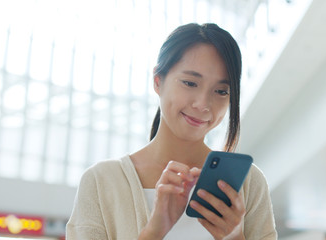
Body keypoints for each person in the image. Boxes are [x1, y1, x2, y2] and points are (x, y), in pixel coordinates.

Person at [66, 23, 277, 240]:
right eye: (190, 83)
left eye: (221, 91)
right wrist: (153, 232)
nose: (203, 104)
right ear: (158, 81)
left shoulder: (249, 183)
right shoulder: (102, 181)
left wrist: (235, 237)